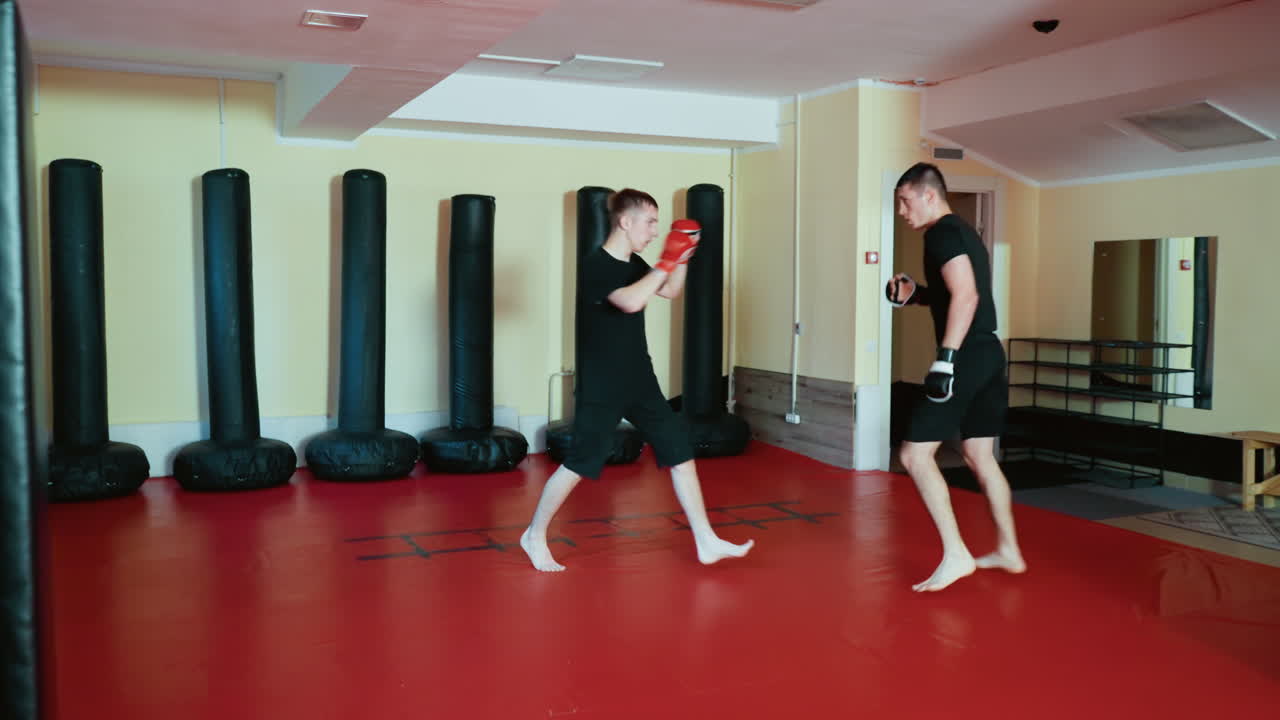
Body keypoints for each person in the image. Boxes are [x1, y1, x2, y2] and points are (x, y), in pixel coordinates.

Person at [520, 189, 755, 572]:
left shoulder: (636, 263)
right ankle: (533, 535)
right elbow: (630, 301)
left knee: (679, 451)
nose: (654, 230)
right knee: (580, 462)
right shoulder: (596, 265)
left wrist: (681, 258)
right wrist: (666, 259)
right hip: (602, 384)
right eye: (649, 222)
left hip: (639, 378)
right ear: (625, 221)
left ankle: (706, 539)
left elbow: (670, 291)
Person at [887, 162, 1026, 592]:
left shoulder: (943, 232)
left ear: (930, 195)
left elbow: (967, 295)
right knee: (980, 456)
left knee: (914, 456)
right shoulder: (963, 231)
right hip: (988, 352)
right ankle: (1008, 550)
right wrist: (917, 296)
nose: (902, 213)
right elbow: (958, 294)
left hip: (965, 357)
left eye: (906, 202)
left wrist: (945, 360)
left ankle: (956, 554)